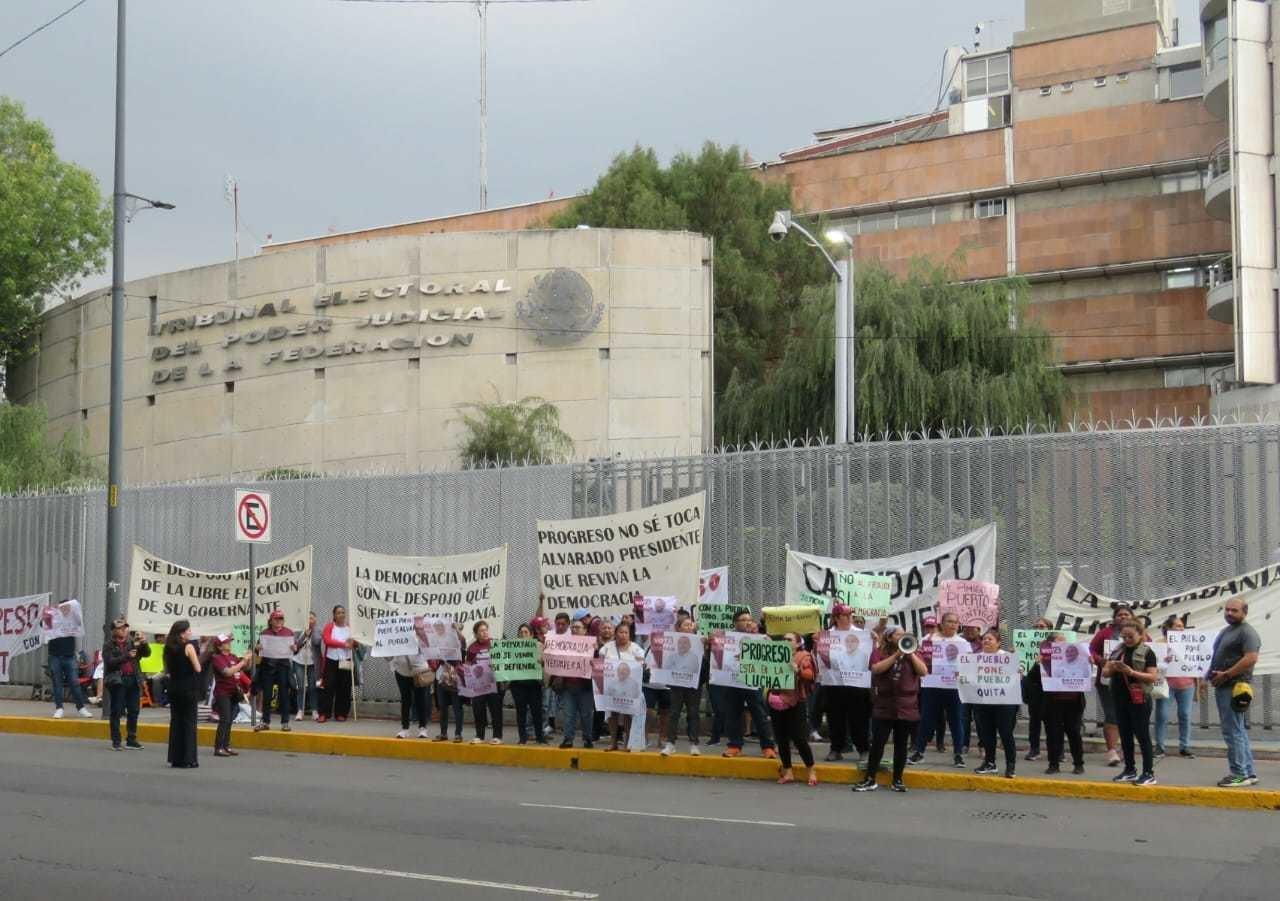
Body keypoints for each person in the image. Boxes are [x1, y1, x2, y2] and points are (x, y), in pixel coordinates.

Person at [853, 624, 926, 793]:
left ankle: (897, 779)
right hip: (884, 704)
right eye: (898, 634)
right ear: (889, 637)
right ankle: (870, 779)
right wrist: (896, 655)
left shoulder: (913, 652)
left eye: (904, 634)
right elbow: (876, 668)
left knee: (901, 745)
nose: (902, 637)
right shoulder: (879, 653)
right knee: (878, 743)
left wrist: (911, 654)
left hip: (906, 706)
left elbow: (923, 671)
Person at [1208, 598, 1261, 787]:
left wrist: (1227, 674)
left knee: (1233, 731)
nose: (1229, 613)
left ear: (1244, 612)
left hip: (1235, 687)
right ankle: (1248, 772)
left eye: (1234, 610)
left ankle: (1239, 774)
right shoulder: (1228, 630)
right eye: (1227, 610)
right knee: (1237, 731)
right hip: (1224, 686)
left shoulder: (1247, 632)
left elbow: (1251, 658)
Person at [1102, 620, 1159, 786]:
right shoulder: (1117, 650)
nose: (1126, 639)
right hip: (1120, 698)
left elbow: (1152, 677)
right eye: (1124, 636)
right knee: (1125, 735)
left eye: (1130, 636)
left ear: (1140, 635)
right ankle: (1129, 770)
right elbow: (1105, 672)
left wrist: (1131, 672)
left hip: (1139, 698)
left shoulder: (1147, 652)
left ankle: (1148, 773)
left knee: (1142, 735)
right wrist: (1113, 668)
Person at [908, 611, 967, 768]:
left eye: (955, 622)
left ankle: (958, 754)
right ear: (942, 623)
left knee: (956, 721)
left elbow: (969, 665)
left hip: (954, 687)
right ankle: (919, 752)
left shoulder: (963, 643)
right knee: (926, 720)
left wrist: (962, 672)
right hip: (932, 686)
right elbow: (919, 659)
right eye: (949, 621)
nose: (953, 624)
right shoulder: (928, 640)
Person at [722, 609, 778, 760]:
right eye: (743, 620)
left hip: (753, 682)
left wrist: (769, 645)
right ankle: (734, 745)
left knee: (759, 713)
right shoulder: (727, 638)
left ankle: (768, 747)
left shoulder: (760, 638)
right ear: (735, 623)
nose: (748, 622)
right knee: (733, 714)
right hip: (733, 681)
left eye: (749, 619)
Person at [768, 632, 818, 787]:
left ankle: (811, 770)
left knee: (799, 738)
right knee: (781, 738)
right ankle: (788, 771)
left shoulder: (804, 656)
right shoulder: (774, 655)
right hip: (776, 699)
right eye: (783, 639)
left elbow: (810, 676)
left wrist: (798, 670)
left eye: (789, 639)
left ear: (797, 644)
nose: (785, 641)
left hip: (796, 701)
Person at [823, 604, 870, 763]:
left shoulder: (862, 634)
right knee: (835, 717)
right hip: (834, 682)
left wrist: (874, 642)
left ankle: (863, 749)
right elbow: (823, 659)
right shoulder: (828, 635)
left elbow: (866, 656)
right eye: (846, 615)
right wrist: (819, 643)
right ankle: (836, 748)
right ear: (836, 618)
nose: (850, 617)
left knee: (859, 717)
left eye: (851, 614)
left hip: (856, 683)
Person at [1089, 604, 1135, 766]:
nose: (1123, 617)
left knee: (1129, 716)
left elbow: (1150, 649)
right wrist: (1101, 661)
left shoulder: (1140, 634)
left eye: (1126, 614)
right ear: (1114, 618)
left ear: (1132, 617)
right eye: (1120, 615)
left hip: (1131, 682)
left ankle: (1126, 749)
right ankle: (1112, 751)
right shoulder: (1104, 634)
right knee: (1112, 715)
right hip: (1107, 682)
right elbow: (1091, 650)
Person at [971, 629, 1018, 779]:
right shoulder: (975, 658)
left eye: (990, 639)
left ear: (998, 643)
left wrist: (1017, 668)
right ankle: (989, 763)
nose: (986, 641)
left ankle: (1010, 765)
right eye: (984, 639)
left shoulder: (1006, 658)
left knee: (1005, 734)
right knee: (986, 734)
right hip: (983, 702)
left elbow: (1017, 676)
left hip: (1004, 703)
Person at [1041, 632, 1085, 775]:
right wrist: (1040, 663)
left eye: (1065, 641)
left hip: (1073, 701)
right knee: (1053, 733)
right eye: (1060, 640)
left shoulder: (1077, 657)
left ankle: (1078, 764)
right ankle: (1053, 764)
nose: (1064, 643)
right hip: (1053, 702)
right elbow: (1038, 678)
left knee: (1074, 732)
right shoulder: (1045, 659)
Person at [101, 618, 149, 751]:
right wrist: (126, 656)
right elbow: (110, 662)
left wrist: (144, 643)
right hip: (118, 681)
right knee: (116, 711)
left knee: (134, 710)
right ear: (114, 631)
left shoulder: (132, 642)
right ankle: (116, 741)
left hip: (133, 679)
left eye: (125, 628)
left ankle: (131, 739)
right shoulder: (108, 645)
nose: (124, 630)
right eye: (120, 628)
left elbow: (146, 654)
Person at [1154, 615, 1197, 760]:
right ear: (1168, 628)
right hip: (1166, 685)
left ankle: (1185, 746)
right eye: (1177, 626)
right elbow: (1152, 664)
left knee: (1185, 715)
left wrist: (1200, 683)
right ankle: (1159, 746)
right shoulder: (1159, 644)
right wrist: (1162, 660)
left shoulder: (1190, 643)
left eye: (1182, 626)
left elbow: (1197, 662)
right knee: (1162, 715)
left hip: (1187, 684)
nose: (1181, 628)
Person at [163, 620, 202, 769]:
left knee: (176, 722)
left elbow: (167, 670)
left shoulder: (168, 648)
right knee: (189, 723)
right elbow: (197, 668)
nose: (191, 632)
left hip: (174, 687)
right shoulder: (189, 647)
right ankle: (189, 758)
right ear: (182, 632)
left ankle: (175, 758)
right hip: (188, 688)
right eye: (189, 630)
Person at [602, 622, 645, 751]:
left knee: (628, 714)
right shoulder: (607, 647)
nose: (623, 635)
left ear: (629, 634)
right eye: (621, 632)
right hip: (612, 687)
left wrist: (640, 663)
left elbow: (642, 663)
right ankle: (613, 742)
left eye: (626, 632)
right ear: (616, 633)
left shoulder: (636, 648)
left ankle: (627, 742)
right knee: (612, 714)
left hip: (629, 688)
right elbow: (600, 661)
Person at [665, 615, 704, 756]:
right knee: (674, 713)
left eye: (690, 625)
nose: (688, 627)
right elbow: (666, 666)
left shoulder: (700, 641)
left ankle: (694, 743)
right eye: (685, 625)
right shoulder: (671, 649)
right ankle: (670, 743)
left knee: (693, 713)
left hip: (694, 684)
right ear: (678, 628)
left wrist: (706, 644)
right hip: (676, 685)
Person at [46, 603, 91, 719]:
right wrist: (46, 614)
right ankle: (59, 708)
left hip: (69, 656)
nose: (65, 610)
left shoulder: (73, 620)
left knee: (74, 683)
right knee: (57, 683)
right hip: (54, 656)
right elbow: (44, 627)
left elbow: (80, 623)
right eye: (63, 607)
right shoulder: (53, 619)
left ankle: (81, 707)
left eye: (68, 608)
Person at [558, 618, 596, 749]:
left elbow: (598, 664)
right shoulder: (564, 644)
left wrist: (595, 652)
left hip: (585, 687)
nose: (575, 629)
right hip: (568, 686)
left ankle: (588, 739)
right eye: (573, 627)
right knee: (569, 714)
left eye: (578, 627)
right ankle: (568, 739)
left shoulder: (592, 645)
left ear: (585, 631)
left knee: (586, 714)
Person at [210, 634, 251, 757]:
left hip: (234, 692)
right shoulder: (217, 658)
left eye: (229, 642)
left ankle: (226, 745)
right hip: (223, 693)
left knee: (230, 720)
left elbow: (243, 669)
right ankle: (218, 747)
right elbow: (227, 672)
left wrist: (247, 659)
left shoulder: (233, 657)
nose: (229, 644)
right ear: (220, 646)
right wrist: (242, 662)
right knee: (224, 719)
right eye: (226, 643)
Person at [256, 610, 295, 732]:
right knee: (267, 695)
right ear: (271, 621)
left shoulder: (288, 633)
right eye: (276, 619)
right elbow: (258, 650)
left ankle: (285, 722)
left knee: (284, 695)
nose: (279, 621)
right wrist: (257, 648)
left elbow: (293, 650)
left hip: (283, 667)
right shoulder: (264, 633)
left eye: (281, 619)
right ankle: (265, 721)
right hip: (268, 667)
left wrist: (295, 648)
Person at [1021, 617, 1053, 762]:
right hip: (1034, 686)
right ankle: (1034, 749)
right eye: (1036, 627)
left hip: (1052, 688)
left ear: (1049, 630)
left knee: (1053, 721)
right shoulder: (1026, 644)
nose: (1038, 629)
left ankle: (1056, 751)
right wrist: (1017, 653)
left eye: (1042, 627)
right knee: (1035, 720)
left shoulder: (1057, 644)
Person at [467, 620, 504, 744]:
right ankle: (479, 735)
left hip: (493, 683)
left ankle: (497, 736)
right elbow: (468, 664)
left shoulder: (495, 644)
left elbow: (503, 661)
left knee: (495, 710)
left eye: (486, 630)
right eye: (481, 631)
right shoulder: (472, 648)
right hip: (478, 684)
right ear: (476, 634)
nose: (484, 633)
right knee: (478, 709)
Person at [317, 605, 356, 723]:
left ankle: (341, 713)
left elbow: (355, 643)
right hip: (331, 660)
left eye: (343, 612)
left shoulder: (350, 627)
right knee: (328, 686)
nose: (341, 614)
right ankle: (324, 713)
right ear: (334, 615)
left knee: (344, 687)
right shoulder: (329, 627)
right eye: (338, 612)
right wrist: (344, 644)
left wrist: (354, 642)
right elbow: (327, 640)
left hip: (346, 660)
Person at [510, 623, 547, 745]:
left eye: (526, 632)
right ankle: (522, 738)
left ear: (531, 635)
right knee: (521, 712)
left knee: (537, 711)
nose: (523, 634)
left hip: (534, 684)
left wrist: (541, 661)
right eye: (521, 632)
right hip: (518, 685)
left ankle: (540, 737)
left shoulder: (539, 646)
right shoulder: (512, 647)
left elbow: (544, 663)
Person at [432, 624, 468, 743]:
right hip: (441, 677)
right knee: (443, 706)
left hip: (455, 678)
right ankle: (443, 733)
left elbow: (462, 641)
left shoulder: (459, 642)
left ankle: (458, 734)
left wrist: (456, 630)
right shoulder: (439, 641)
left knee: (457, 706)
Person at [391, 638, 433, 739]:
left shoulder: (418, 636)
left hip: (418, 671)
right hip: (401, 672)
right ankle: (405, 728)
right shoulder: (394, 636)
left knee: (420, 700)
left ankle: (423, 728)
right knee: (405, 700)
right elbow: (388, 657)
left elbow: (427, 650)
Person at [291, 612, 320, 721]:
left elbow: (317, 642)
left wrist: (312, 633)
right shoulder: (298, 630)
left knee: (312, 687)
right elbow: (295, 645)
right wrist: (304, 635)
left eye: (312, 618)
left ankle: (314, 710)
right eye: (308, 618)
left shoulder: (318, 630)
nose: (310, 620)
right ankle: (300, 710)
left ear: (315, 620)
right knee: (301, 686)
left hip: (312, 663)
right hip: (299, 661)